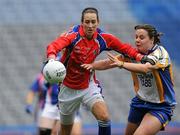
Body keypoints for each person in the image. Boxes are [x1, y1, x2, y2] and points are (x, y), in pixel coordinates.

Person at [45, 7, 147, 135]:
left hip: (89, 86)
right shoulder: (73, 36)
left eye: (93, 22)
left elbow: (125, 49)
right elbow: (54, 46)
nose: (90, 25)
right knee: (65, 131)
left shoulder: (103, 38)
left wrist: (141, 57)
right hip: (67, 88)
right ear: (82, 23)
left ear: (98, 22)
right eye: (87, 22)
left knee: (104, 117)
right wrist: (51, 59)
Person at [81, 24, 177, 135]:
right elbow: (107, 63)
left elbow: (145, 68)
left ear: (152, 39)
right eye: (136, 37)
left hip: (161, 106)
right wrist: (89, 65)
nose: (137, 40)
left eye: (141, 37)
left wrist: (121, 64)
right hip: (140, 102)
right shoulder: (133, 54)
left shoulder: (160, 53)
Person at [25, 54, 82, 135]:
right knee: (46, 131)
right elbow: (32, 91)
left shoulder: (70, 74)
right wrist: (29, 104)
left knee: (74, 132)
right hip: (49, 106)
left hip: (68, 106)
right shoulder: (41, 78)